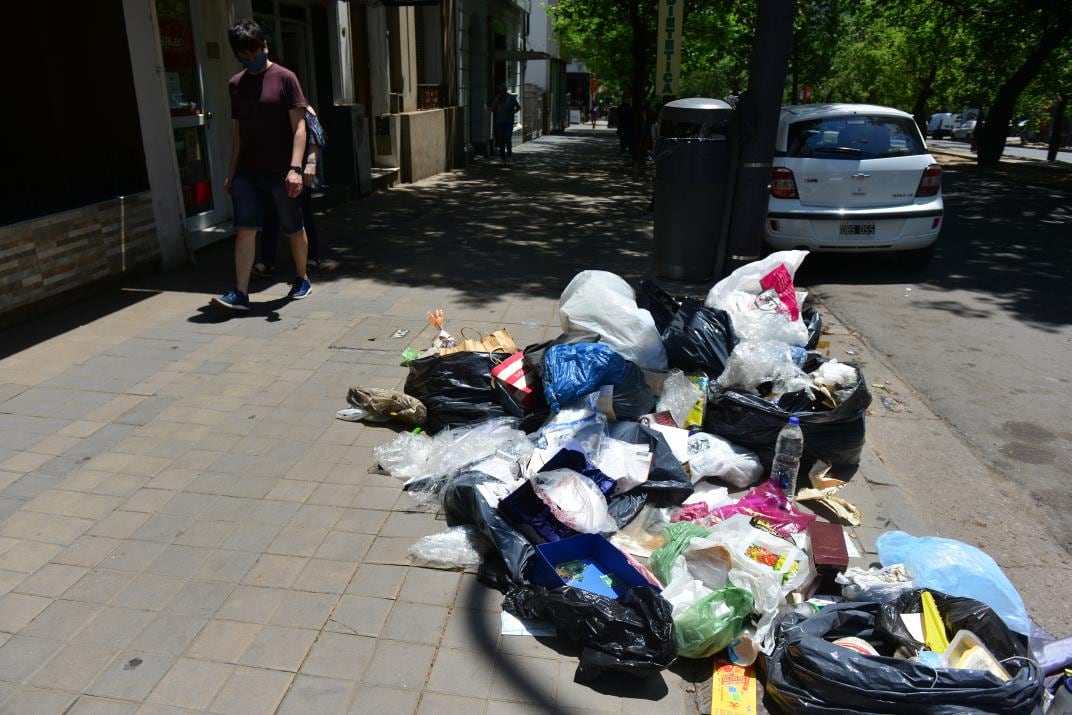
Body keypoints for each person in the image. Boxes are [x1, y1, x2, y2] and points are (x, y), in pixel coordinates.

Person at [212, 18, 312, 311]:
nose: (252, 59)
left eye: (255, 52)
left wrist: (295, 168)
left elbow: (300, 127)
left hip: (282, 170)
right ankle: (240, 293)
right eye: (244, 55)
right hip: (248, 171)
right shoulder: (236, 85)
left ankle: (302, 277)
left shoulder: (285, 78)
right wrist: (232, 173)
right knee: (245, 228)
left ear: (265, 46)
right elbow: (240, 132)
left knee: (292, 225)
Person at [254, 105, 326, 275]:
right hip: (273, 169)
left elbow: (317, 136)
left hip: (297, 170)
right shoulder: (271, 109)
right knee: (269, 214)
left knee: (302, 213)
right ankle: (267, 261)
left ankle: (312, 256)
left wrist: (310, 163)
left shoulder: (305, 109)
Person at [489, 83, 520, 165]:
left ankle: (509, 157)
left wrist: (513, 112)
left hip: (509, 122)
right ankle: (503, 159)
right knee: (501, 141)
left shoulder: (511, 98)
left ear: (506, 90)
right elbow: (492, 109)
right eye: (500, 91)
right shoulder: (497, 98)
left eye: (503, 90)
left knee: (508, 139)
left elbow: (518, 107)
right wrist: (496, 103)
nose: (502, 92)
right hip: (499, 122)